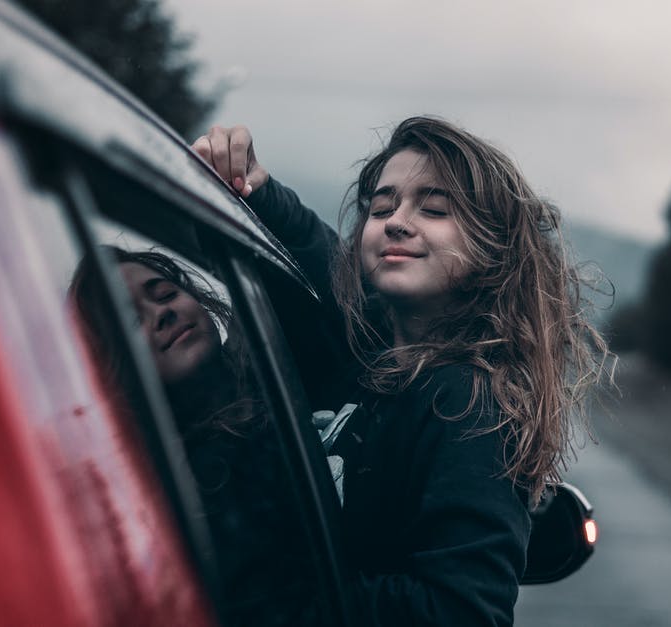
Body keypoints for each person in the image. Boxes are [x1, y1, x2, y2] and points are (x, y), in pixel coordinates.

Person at [193, 116, 608, 626]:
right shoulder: (370, 356)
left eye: (433, 209)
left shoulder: (465, 401)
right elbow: (317, 260)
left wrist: (276, 594)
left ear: (490, 249)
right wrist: (256, 188)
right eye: (381, 206)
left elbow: (461, 612)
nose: (396, 221)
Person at [69, 247, 321, 627]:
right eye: (130, 320)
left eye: (166, 293)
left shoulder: (279, 370)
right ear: (111, 366)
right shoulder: (180, 491)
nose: (162, 314)